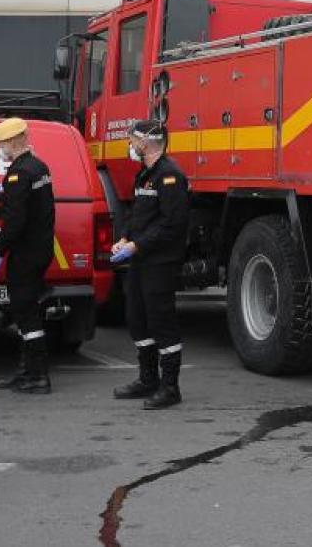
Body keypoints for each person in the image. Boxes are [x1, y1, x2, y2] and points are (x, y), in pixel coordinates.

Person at [111, 119, 191, 410]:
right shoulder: (144, 175)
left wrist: (138, 245)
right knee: (137, 318)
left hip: (160, 261)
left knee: (162, 321)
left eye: (132, 140)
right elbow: (139, 216)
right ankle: (148, 379)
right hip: (140, 260)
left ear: (145, 142)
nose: (130, 145)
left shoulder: (170, 176)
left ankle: (170, 387)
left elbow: (173, 224)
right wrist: (125, 239)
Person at [0, 117, 56, 395]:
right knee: (31, 310)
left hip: (25, 254)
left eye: (0, 144)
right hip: (40, 250)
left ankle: (37, 375)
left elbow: (15, 221)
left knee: (26, 315)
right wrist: (5, 190)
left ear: (13, 142)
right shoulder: (38, 166)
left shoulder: (18, 173)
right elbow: (33, 201)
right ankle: (27, 370)